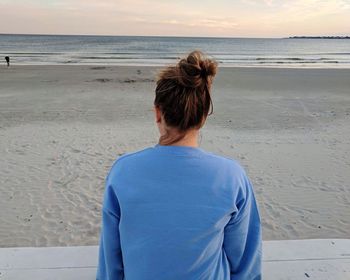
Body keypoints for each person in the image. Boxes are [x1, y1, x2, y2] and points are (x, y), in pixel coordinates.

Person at [96, 50, 262, 280]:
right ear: (203, 116)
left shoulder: (123, 172)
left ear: (158, 113)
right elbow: (245, 264)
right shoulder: (231, 177)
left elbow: (111, 264)